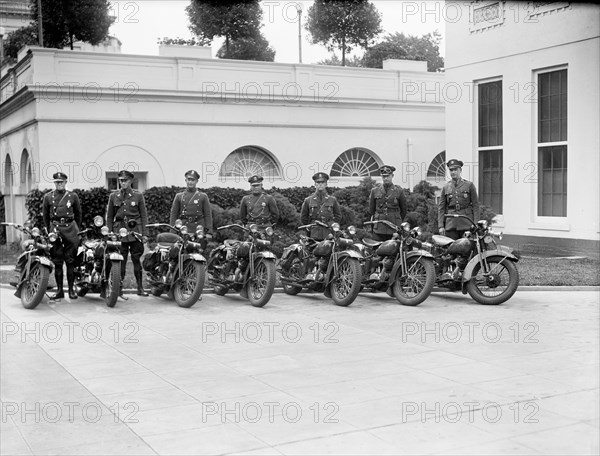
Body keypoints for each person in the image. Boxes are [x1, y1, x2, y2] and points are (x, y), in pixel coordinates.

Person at [106, 170, 149, 297]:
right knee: (121, 262)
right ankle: (118, 289)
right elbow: (109, 216)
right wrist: (109, 232)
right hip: (119, 232)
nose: (122, 182)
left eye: (125, 180)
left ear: (131, 181)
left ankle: (140, 288)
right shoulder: (114, 196)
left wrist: (144, 233)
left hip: (135, 231)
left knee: (136, 261)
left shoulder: (138, 195)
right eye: (121, 180)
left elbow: (143, 215)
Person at [43, 172, 82, 300]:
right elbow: (45, 217)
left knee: (70, 261)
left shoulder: (73, 196)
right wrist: (50, 231)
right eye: (57, 182)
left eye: (61, 182)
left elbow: (78, 214)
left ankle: (71, 290)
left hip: (70, 229)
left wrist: (77, 230)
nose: (59, 184)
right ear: (54, 183)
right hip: (56, 230)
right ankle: (60, 291)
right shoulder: (48, 197)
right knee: (58, 261)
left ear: (65, 182)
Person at [438, 159, 480, 240]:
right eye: (451, 170)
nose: (453, 172)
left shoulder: (469, 185)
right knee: (452, 249)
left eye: (455, 170)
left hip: (466, 223)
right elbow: (441, 208)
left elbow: (476, 205)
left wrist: (476, 224)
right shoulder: (446, 187)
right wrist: (441, 226)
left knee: (468, 249)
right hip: (451, 225)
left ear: (460, 170)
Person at [369, 165, 408, 241]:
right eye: (384, 176)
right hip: (379, 228)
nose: (386, 178)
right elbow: (371, 210)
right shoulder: (374, 191)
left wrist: (397, 221)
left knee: (395, 249)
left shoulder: (399, 191)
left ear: (392, 176)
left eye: (388, 176)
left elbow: (404, 210)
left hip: (394, 227)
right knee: (377, 250)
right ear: (381, 176)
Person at [300, 172, 341, 241]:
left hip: (328, 232)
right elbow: (303, 218)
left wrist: (331, 224)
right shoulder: (308, 200)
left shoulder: (332, 200)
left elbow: (338, 216)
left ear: (326, 184)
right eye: (318, 183)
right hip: (314, 233)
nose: (320, 184)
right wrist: (311, 226)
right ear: (315, 184)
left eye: (323, 182)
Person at [170, 169, 213, 235]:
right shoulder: (179, 196)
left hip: (199, 229)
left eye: (193, 180)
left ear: (197, 181)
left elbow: (208, 215)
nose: (190, 182)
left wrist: (209, 232)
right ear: (185, 180)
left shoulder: (203, 196)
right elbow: (174, 214)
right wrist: (173, 231)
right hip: (184, 228)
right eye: (188, 179)